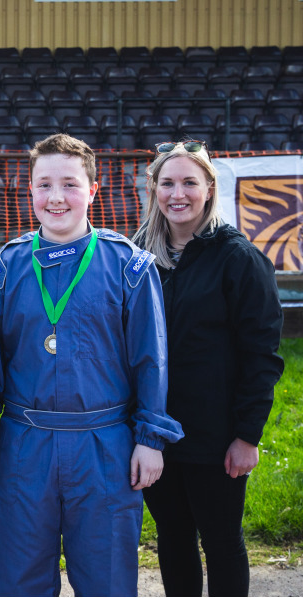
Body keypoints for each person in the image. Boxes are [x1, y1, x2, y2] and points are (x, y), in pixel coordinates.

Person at [0, 133, 184, 596]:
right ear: (28, 191)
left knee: (108, 579)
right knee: (20, 578)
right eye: (44, 185)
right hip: (24, 446)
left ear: (93, 189)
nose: (56, 198)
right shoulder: (4, 269)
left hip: (104, 446)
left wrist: (150, 439)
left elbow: (153, 360)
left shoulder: (130, 267)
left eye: (69, 184)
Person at [133, 140, 284, 597]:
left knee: (220, 542)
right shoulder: (138, 257)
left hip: (216, 437)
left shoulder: (237, 258)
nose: (178, 193)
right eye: (168, 183)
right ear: (154, 189)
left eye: (189, 183)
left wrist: (247, 435)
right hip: (155, 434)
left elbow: (263, 355)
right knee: (173, 539)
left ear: (209, 188)